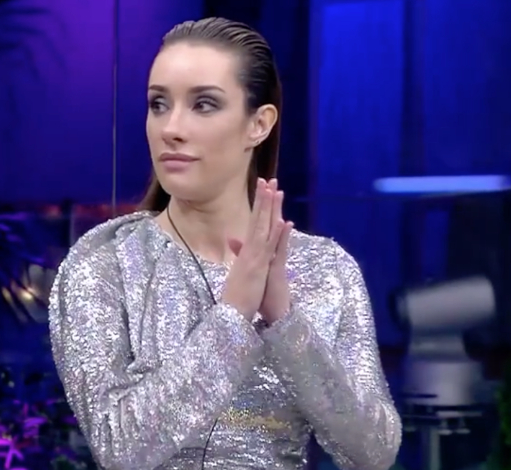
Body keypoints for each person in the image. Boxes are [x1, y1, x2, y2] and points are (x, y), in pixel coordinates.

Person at [48, 17, 401, 470]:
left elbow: (374, 453)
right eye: (159, 104)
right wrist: (233, 314)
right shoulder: (105, 263)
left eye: (204, 104)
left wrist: (286, 323)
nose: (171, 128)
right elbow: (120, 450)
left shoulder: (326, 270)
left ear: (259, 124)